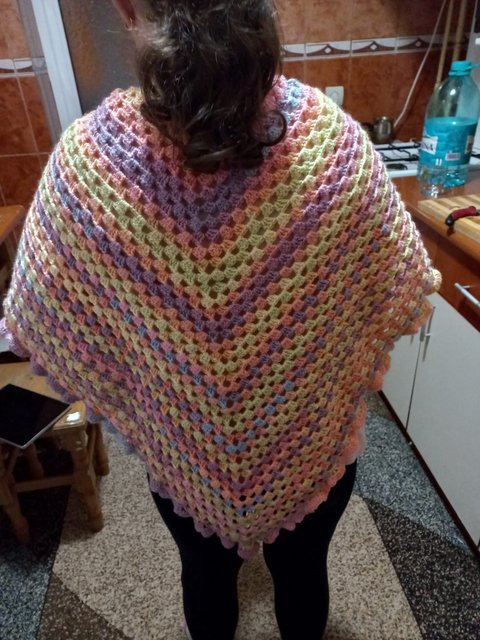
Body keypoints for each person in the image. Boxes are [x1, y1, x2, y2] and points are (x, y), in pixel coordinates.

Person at [0, 1, 440, 638]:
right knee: (303, 574)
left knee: (203, 578)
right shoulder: (334, 144)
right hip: (305, 435)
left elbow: (38, 311)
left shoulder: (86, 164)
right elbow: (393, 278)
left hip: (188, 448)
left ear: (128, 8)